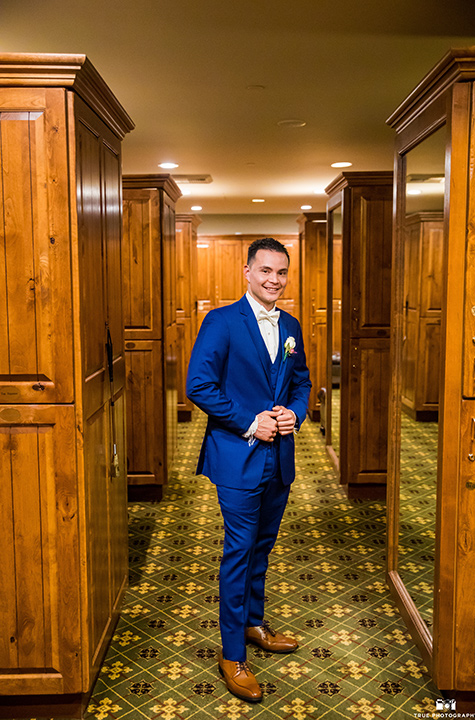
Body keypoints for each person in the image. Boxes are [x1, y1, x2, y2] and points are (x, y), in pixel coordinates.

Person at [186, 237, 311, 703]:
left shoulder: (292, 325)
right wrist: (249, 421)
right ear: (247, 272)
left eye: (281, 273)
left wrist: (293, 414)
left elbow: (302, 383)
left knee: (262, 544)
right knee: (239, 550)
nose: (274, 280)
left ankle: (255, 623)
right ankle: (232, 652)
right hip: (237, 456)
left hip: (279, 457)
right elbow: (198, 384)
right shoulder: (220, 321)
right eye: (265, 271)